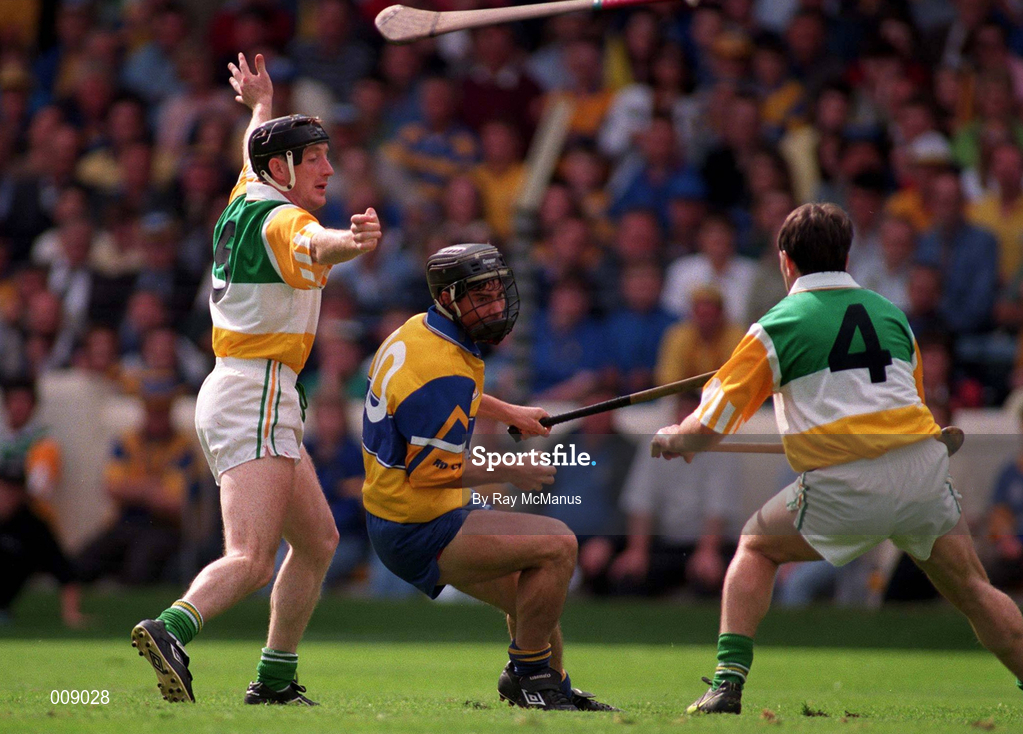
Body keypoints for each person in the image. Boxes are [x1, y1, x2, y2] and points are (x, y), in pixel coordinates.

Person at [651, 203, 1023, 714]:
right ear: (846, 256)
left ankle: (727, 685)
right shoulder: (892, 314)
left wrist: (673, 438)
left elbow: (707, 429)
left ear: (786, 261)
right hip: (921, 468)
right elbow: (908, 405)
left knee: (756, 548)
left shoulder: (775, 326)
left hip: (848, 483)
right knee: (976, 589)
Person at [131, 53, 382, 705]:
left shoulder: (250, 190)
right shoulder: (284, 219)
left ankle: (273, 681)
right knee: (249, 557)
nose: (329, 168)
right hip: (257, 395)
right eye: (315, 158)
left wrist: (261, 105)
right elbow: (314, 244)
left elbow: (252, 150)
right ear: (284, 170)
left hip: (243, 388)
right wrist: (351, 245)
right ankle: (172, 628)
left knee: (318, 540)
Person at [362, 243, 616, 711]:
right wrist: (509, 468)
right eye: (482, 296)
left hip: (400, 515)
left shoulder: (421, 332)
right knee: (559, 544)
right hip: (418, 523)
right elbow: (429, 471)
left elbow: (460, 393)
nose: (496, 305)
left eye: (498, 292)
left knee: (532, 589)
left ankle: (548, 681)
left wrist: (509, 411)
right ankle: (528, 675)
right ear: (450, 297)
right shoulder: (439, 369)